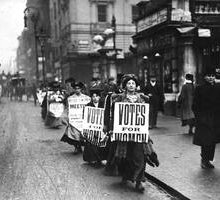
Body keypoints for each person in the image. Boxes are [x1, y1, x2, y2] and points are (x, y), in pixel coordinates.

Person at [104, 74, 158, 192]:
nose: (131, 85)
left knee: (140, 157)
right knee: (124, 157)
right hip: (124, 135)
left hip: (138, 134)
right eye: (129, 83)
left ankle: (139, 181)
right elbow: (114, 114)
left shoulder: (142, 98)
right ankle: (126, 175)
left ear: (136, 85)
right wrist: (112, 127)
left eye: (133, 83)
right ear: (125, 86)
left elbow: (145, 115)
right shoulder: (118, 98)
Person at [192, 69, 217, 169]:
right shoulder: (199, 88)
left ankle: (209, 160)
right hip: (204, 119)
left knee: (213, 141)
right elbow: (195, 105)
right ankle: (204, 160)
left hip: (215, 119)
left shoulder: (217, 88)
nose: (211, 78)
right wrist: (199, 117)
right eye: (209, 75)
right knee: (205, 141)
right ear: (204, 77)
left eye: (213, 75)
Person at [61, 82, 91, 154]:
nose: (77, 90)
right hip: (74, 119)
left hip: (82, 119)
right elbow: (68, 108)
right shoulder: (70, 99)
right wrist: (68, 117)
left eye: (78, 88)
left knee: (82, 134)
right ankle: (76, 147)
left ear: (81, 89)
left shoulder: (86, 98)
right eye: (76, 88)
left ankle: (81, 146)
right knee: (75, 133)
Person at [83, 88, 107, 166]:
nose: (95, 98)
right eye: (93, 96)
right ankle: (93, 158)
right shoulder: (88, 106)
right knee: (91, 142)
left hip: (101, 127)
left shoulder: (103, 105)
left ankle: (101, 158)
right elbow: (85, 117)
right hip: (91, 128)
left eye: (96, 96)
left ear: (99, 97)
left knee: (101, 142)